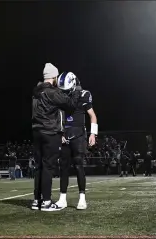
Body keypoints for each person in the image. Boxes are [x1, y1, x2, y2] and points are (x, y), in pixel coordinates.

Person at [31, 63, 80, 212]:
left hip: (36, 131)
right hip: (50, 132)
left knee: (39, 166)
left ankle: (37, 200)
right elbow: (71, 105)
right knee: (48, 166)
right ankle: (46, 202)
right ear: (53, 77)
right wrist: (76, 87)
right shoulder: (52, 93)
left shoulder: (36, 91)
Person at [55, 72, 98, 210]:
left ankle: (82, 198)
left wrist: (93, 134)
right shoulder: (62, 95)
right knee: (63, 168)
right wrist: (59, 133)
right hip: (65, 135)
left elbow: (92, 116)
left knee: (79, 166)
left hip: (79, 135)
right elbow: (59, 117)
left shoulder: (83, 94)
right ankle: (62, 199)